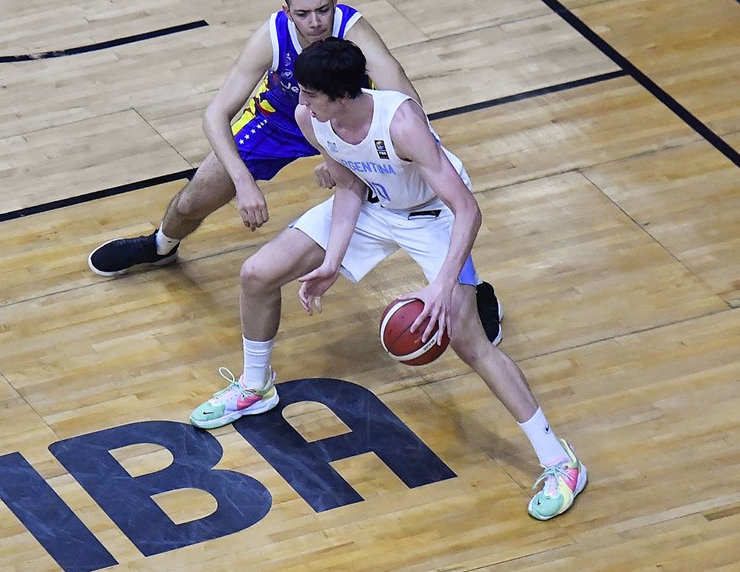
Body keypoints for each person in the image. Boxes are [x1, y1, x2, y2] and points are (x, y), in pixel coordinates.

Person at [187, 38, 587, 521]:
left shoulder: (401, 124)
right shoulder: (309, 116)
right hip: (376, 205)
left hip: (434, 216)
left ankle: (559, 462)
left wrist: (441, 285)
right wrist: (332, 260)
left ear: (343, 95)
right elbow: (351, 184)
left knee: (468, 340)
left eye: (312, 93)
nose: (301, 100)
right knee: (257, 273)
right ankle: (256, 385)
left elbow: (467, 210)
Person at [88, 0, 504, 345]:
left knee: (430, 195)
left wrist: (345, 152)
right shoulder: (272, 35)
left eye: (323, 10)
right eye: (304, 14)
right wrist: (243, 183)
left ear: (334, 5)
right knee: (197, 197)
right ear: (287, 11)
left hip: (348, 118)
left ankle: (471, 285)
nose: (316, 22)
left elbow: (405, 96)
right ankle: (161, 244)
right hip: (282, 119)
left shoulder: (354, 29)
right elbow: (215, 114)